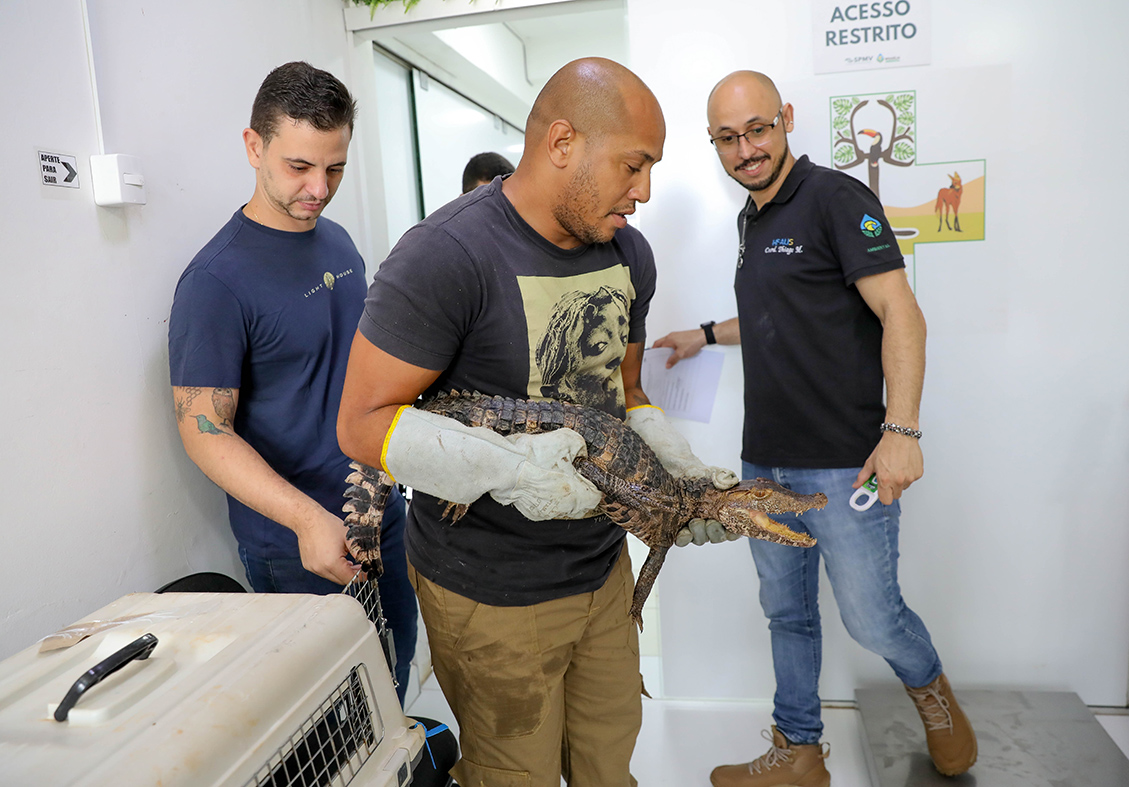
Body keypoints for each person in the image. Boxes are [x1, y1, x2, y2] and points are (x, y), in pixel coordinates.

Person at [336, 57, 735, 786]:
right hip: (489, 591)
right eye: (633, 165)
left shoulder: (628, 252)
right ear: (562, 143)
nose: (644, 191)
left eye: (650, 168)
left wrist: (671, 464)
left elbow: (624, 390)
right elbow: (362, 423)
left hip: (602, 570)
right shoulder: (445, 255)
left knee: (608, 763)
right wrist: (508, 471)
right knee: (514, 774)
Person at [653, 70, 977, 786]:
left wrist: (902, 430)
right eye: (728, 138)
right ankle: (798, 749)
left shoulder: (835, 198)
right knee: (786, 613)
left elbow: (900, 311)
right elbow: (783, 311)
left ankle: (932, 693)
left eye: (758, 129)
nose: (746, 149)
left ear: (787, 118)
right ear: (713, 143)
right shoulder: (751, 219)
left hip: (843, 463)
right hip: (765, 461)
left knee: (872, 618)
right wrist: (704, 334)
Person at [168, 61, 417, 703]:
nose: (319, 187)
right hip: (299, 543)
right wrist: (307, 520)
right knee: (333, 724)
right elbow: (203, 431)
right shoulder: (215, 282)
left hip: (380, 514)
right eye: (299, 166)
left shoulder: (337, 242)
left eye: (335, 168)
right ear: (254, 146)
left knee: (393, 688)